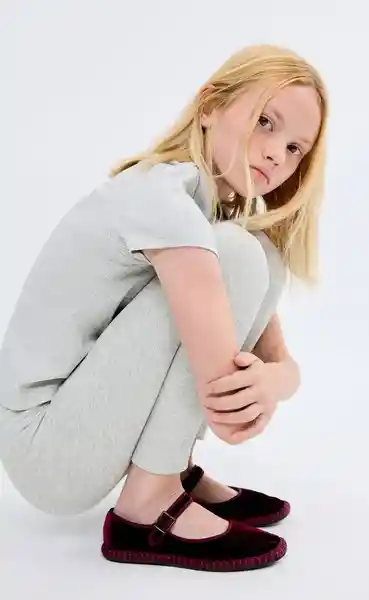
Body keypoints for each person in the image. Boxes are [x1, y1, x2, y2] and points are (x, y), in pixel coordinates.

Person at [0, 43, 328, 572]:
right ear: (210, 106)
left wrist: (273, 381)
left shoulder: (204, 212)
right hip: (45, 448)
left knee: (260, 253)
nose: (277, 154)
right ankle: (149, 501)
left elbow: (276, 361)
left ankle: (171, 469)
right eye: (265, 122)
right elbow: (222, 396)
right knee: (241, 254)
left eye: (295, 148)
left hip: (78, 425)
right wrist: (253, 392)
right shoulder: (161, 197)